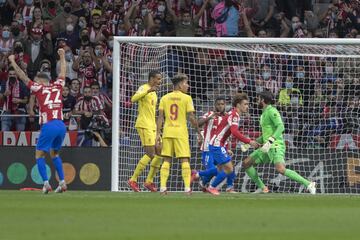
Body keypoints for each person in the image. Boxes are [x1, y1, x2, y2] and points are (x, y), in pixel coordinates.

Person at [8, 49, 68, 194]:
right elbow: (63, 72)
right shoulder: (58, 86)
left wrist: (12, 61)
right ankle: (62, 182)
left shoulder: (39, 88)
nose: (34, 81)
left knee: (39, 155)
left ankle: (46, 183)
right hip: (61, 125)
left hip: (49, 125)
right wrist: (62, 55)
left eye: (36, 79)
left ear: (41, 81)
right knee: (55, 154)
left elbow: (23, 77)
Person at [242, 91, 316, 194]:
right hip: (266, 147)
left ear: (263, 100)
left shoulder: (272, 111)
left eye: (258, 99)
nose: (256, 101)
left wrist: (270, 141)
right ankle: (264, 188)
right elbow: (265, 135)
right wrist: (249, 143)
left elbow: (281, 126)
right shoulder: (263, 113)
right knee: (246, 163)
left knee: (281, 169)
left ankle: (308, 184)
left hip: (275, 145)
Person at [203, 93, 260, 195]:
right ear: (238, 105)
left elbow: (222, 129)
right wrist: (249, 141)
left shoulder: (232, 114)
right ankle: (211, 186)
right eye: (245, 104)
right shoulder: (234, 115)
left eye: (248, 104)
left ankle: (200, 178)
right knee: (229, 168)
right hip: (216, 144)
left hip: (218, 144)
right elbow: (234, 132)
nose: (247, 107)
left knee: (223, 169)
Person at [156, 74, 200, 195]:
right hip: (180, 132)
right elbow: (191, 117)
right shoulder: (187, 98)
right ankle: (187, 189)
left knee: (166, 160)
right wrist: (199, 132)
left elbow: (160, 117)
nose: (188, 85)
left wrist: (157, 134)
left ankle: (163, 188)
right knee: (184, 159)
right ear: (180, 85)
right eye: (186, 83)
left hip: (167, 132)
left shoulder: (164, 98)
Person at [191, 97, 237, 193]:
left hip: (220, 148)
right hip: (208, 148)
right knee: (215, 170)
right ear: (215, 105)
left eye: (222, 104)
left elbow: (226, 135)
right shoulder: (210, 114)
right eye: (218, 104)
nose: (220, 106)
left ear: (225, 105)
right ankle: (201, 180)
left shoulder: (227, 117)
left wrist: (227, 148)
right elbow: (197, 123)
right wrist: (209, 118)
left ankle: (229, 187)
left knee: (229, 167)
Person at [127, 70, 163, 192]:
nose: (159, 81)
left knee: (161, 152)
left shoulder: (155, 93)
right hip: (144, 125)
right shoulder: (144, 88)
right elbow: (133, 99)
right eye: (158, 79)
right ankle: (133, 179)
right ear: (152, 78)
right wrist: (147, 91)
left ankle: (149, 181)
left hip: (152, 126)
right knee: (150, 153)